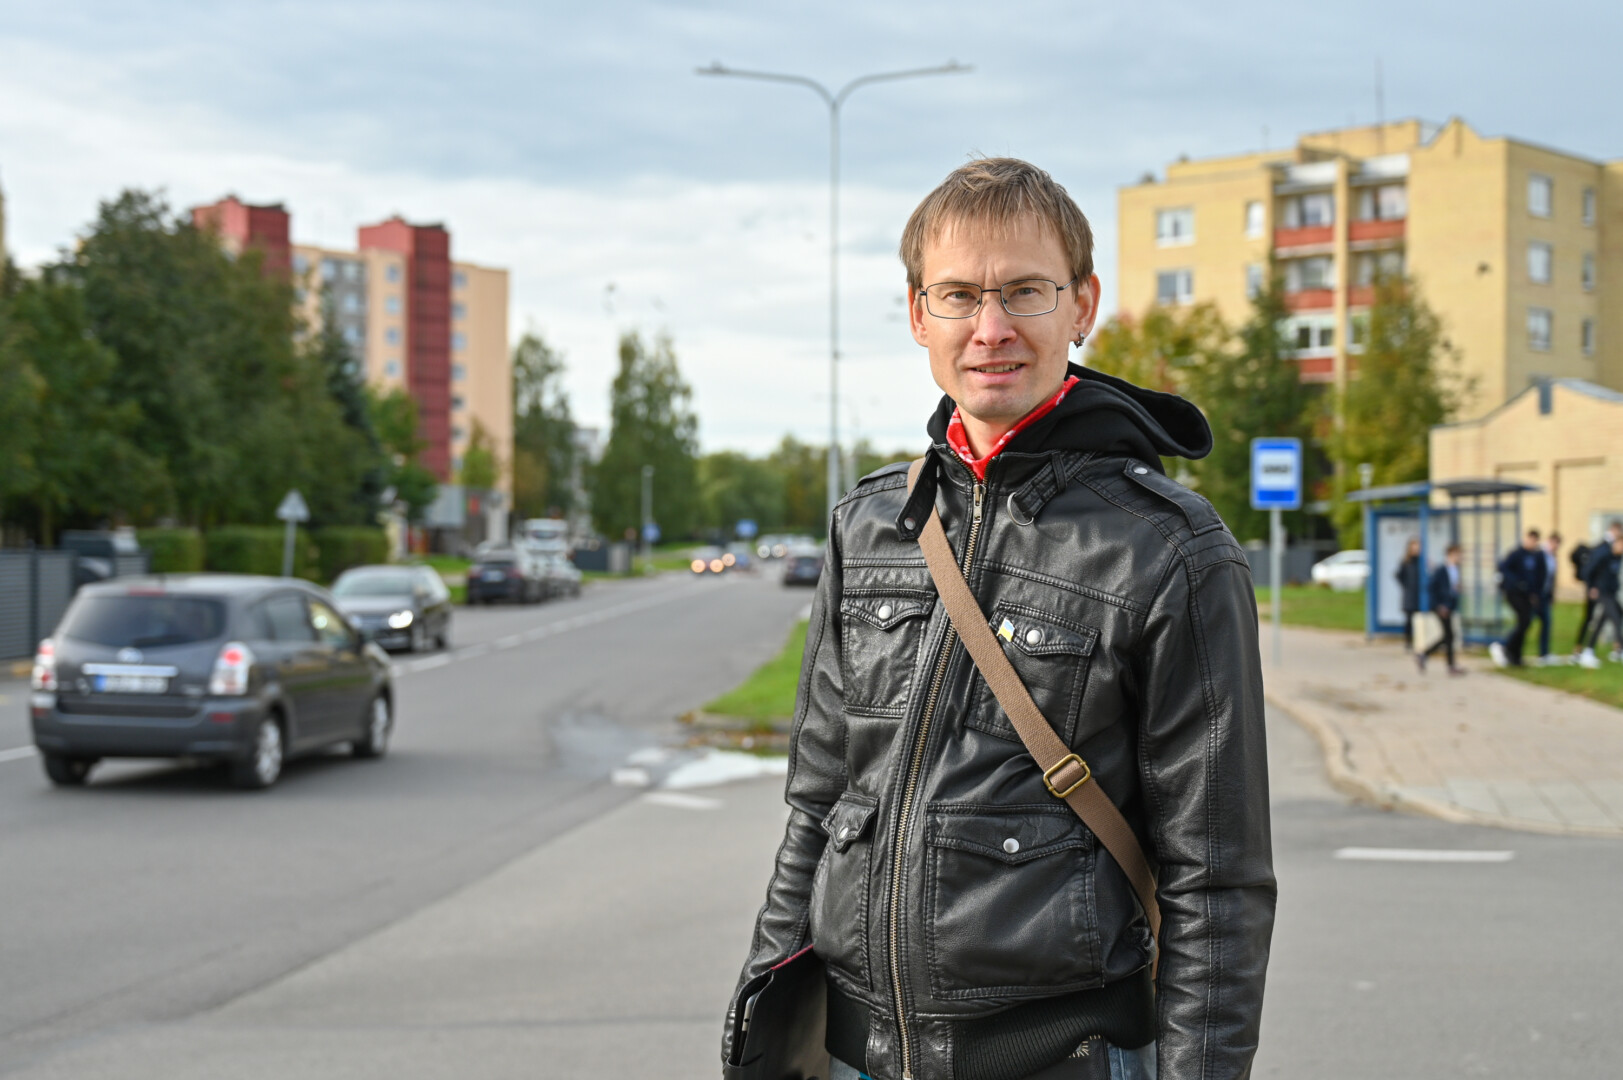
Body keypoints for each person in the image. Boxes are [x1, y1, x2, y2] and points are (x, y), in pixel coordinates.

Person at [724, 158, 1275, 1080]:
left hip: (1064, 1057)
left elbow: (1215, 881)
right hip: (862, 1055)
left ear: (1082, 303)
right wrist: (763, 1028)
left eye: (1025, 290)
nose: (990, 329)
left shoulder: (1168, 551)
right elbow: (817, 807)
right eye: (957, 295)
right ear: (916, 315)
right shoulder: (868, 527)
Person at [1489, 529, 1546, 668]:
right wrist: (1516, 582)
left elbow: (1539, 576)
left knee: (1525, 623)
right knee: (1524, 620)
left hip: (1528, 595)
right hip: (1514, 593)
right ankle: (1506, 647)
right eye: (1530, 539)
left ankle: (1516, 656)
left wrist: (1535, 593)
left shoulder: (1537, 556)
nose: (1532, 542)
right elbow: (1503, 568)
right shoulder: (1517, 554)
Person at [1574, 521, 1623, 657]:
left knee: (1603, 619)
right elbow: (1588, 570)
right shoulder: (1603, 551)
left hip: (1610, 592)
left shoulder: (1616, 556)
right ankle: (1580, 650)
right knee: (1605, 618)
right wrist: (1592, 587)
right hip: (1599, 591)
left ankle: (1589, 649)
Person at [1419, 544, 1466, 675]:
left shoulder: (1455, 570)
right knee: (1449, 635)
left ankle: (1424, 655)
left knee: (1448, 636)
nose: (1460, 557)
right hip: (1441, 607)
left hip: (1449, 606)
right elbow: (1431, 588)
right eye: (1458, 554)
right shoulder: (1441, 570)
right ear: (1450, 554)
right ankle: (1449, 666)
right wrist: (1439, 605)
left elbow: (1452, 589)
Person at [1532, 532, 1561, 663]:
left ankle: (1544, 653)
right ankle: (1510, 648)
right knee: (1525, 622)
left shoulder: (1552, 557)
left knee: (1547, 623)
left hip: (1545, 595)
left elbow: (1551, 579)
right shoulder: (1539, 554)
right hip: (1536, 595)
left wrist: (1551, 595)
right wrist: (1533, 594)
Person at [1395, 537, 1423, 652]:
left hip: (1420, 596)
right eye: (1414, 547)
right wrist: (1407, 586)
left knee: (1419, 620)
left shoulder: (1422, 561)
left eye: (1417, 547)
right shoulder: (1406, 562)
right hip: (1410, 596)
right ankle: (1408, 642)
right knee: (1409, 620)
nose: (1416, 549)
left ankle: (1419, 641)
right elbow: (1398, 575)